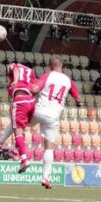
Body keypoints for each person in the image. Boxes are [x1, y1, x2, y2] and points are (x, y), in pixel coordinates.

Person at [30, 55, 81, 189]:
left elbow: (34, 89)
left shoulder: (47, 76)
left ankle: (15, 151)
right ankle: (46, 178)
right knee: (49, 148)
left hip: (39, 111)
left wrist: (31, 86)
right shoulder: (68, 80)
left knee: (18, 125)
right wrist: (78, 102)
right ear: (62, 66)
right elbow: (78, 98)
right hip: (53, 118)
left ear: (50, 66)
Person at [0, 61, 36, 173]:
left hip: (20, 101)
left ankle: (24, 160)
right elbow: (35, 89)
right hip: (31, 101)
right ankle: (15, 152)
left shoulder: (17, 65)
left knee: (18, 131)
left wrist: (15, 81)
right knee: (21, 130)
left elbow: (14, 68)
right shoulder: (32, 73)